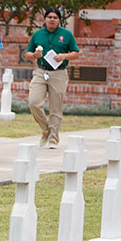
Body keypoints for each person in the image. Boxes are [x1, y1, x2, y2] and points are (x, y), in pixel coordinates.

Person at [25, 8, 80, 149]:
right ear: (44, 19)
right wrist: (34, 56)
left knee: (56, 107)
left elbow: (75, 53)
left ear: (59, 20)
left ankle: (53, 138)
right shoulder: (38, 34)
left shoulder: (66, 34)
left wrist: (64, 56)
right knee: (33, 102)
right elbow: (28, 53)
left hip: (59, 73)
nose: (52, 19)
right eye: (49, 17)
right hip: (41, 72)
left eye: (55, 17)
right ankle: (46, 129)